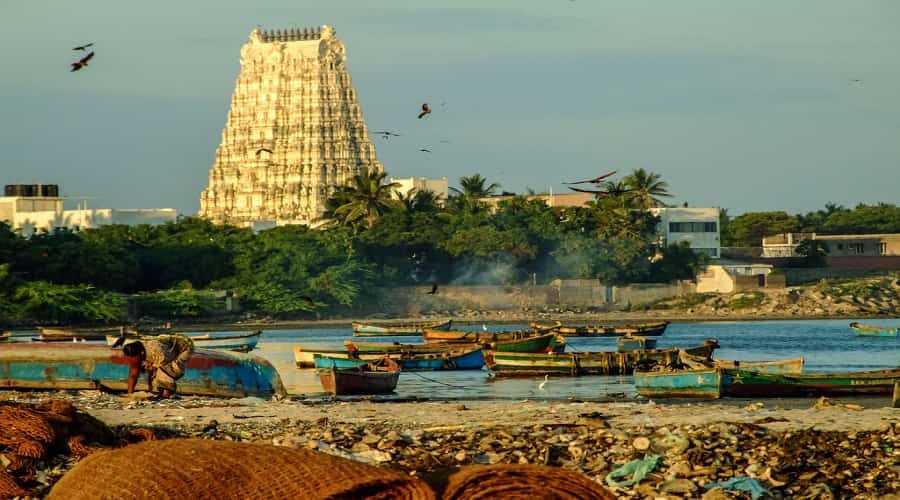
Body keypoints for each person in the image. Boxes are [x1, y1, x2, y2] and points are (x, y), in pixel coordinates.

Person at [123, 334, 194, 398]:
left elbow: (165, 365)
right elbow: (133, 375)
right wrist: (130, 394)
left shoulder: (156, 349)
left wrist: (152, 366)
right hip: (167, 351)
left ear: (141, 353)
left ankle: (167, 393)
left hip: (184, 347)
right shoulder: (136, 354)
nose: (132, 360)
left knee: (163, 370)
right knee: (154, 370)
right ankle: (160, 392)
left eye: (133, 357)